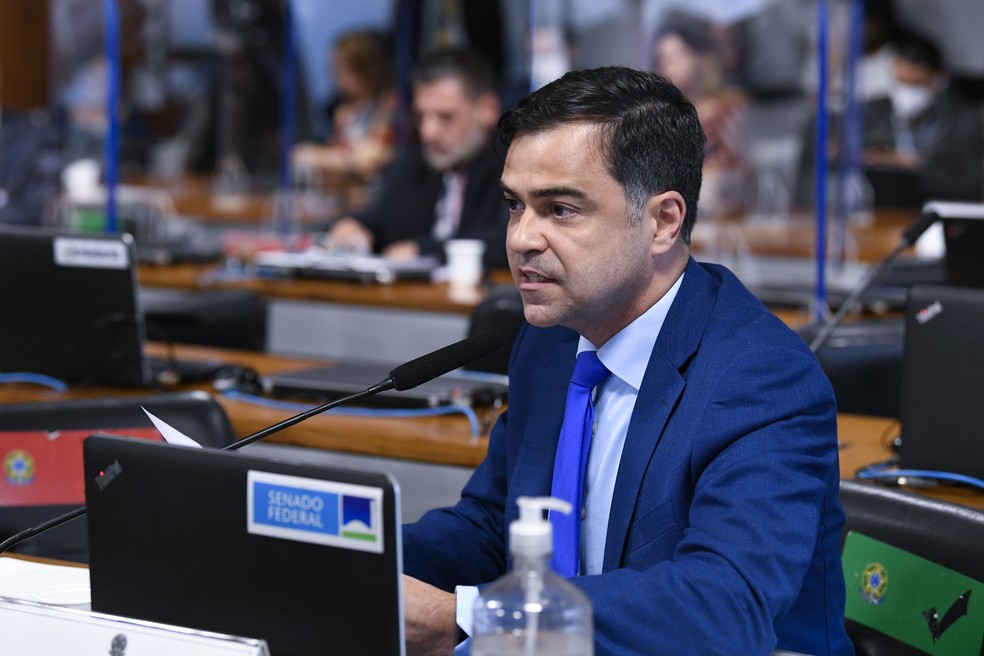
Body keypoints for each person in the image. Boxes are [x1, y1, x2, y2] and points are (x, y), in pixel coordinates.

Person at [401, 67, 852, 655]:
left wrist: (473, 616)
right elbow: (495, 527)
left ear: (663, 221)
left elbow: (724, 606)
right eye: (515, 205)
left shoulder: (762, 377)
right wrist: (354, 558)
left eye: (560, 209)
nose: (521, 239)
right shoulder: (552, 341)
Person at [324, 48, 508, 268]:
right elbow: (379, 217)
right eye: (421, 116)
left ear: (487, 109)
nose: (428, 132)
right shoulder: (411, 164)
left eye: (445, 117)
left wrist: (422, 251)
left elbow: (504, 241)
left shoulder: (514, 167)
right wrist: (355, 227)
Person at [862, 30, 984, 203]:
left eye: (916, 84)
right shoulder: (874, 111)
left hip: (933, 210)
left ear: (938, 79)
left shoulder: (963, 122)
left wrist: (919, 168)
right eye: (901, 81)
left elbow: (972, 187)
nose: (907, 92)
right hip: (879, 211)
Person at [291, 29, 398, 183]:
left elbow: (371, 160)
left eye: (341, 70)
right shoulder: (343, 112)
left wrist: (317, 156)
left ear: (366, 69)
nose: (335, 78)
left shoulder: (389, 106)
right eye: (332, 70)